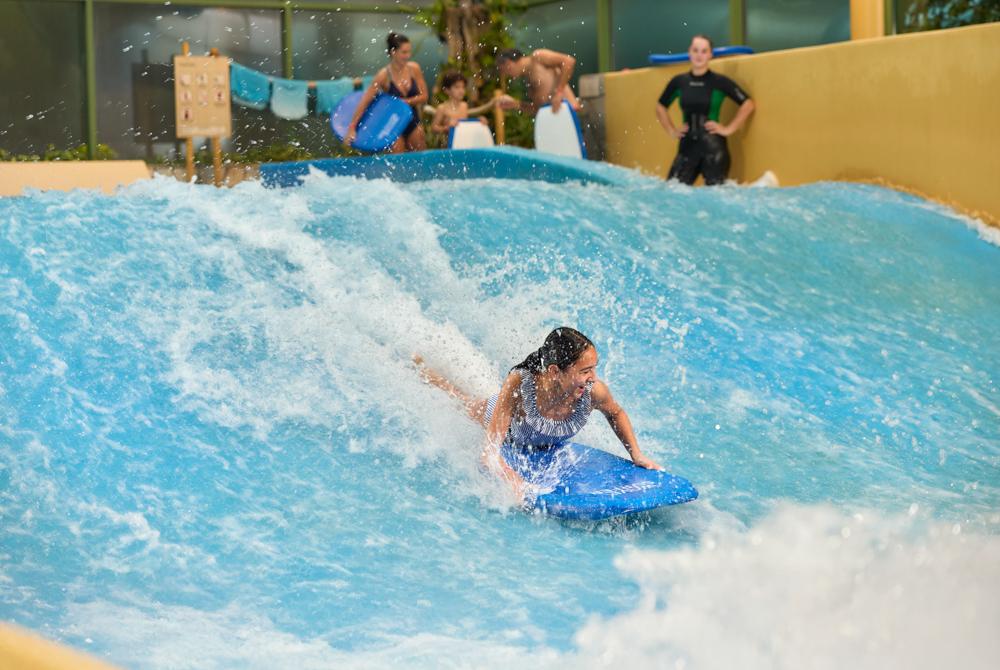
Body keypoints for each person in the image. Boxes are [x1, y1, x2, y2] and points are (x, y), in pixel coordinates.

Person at [415, 327, 662, 504]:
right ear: (555, 371)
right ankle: (424, 371)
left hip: (539, 442)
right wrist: (516, 483)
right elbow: (488, 455)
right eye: (585, 370)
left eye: (594, 369)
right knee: (463, 404)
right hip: (505, 424)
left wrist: (635, 454)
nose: (593, 377)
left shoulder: (592, 391)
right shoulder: (520, 386)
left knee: (465, 401)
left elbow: (616, 413)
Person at [655, 34, 755, 185]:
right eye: (695, 50)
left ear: (710, 55)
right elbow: (660, 106)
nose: (699, 55)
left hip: (714, 149)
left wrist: (728, 129)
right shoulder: (679, 82)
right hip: (687, 147)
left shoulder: (719, 82)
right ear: (689, 52)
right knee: (671, 192)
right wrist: (671, 130)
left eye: (704, 51)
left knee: (715, 198)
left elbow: (748, 104)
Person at [345, 32, 429, 153]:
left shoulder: (414, 69)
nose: (408, 56)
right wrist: (352, 127)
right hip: (392, 124)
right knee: (396, 160)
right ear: (393, 52)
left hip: (412, 120)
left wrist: (404, 102)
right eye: (404, 52)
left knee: (420, 157)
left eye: (409, 52)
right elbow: (365, 102)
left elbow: (424, 96)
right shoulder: (383, 76)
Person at [495, 48, 581, 115]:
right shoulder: (528, 79)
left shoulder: (538, 57)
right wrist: (515, 104)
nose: (507, 75)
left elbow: (568, 61)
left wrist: (559, 92)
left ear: (508, 64)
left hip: (571, 114)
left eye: (504, 71)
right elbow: (538, 110)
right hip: (556, 121)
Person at [430, 71, 491, 136]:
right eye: (457, 87)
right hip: (449, 143)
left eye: (463, 87)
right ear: (447, 90)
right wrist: (446, 128)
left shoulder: (464, 105)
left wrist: (478, 121)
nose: (461, 90)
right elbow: (433, 128)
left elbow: (465, 125)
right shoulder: (442, 108)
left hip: (463, 141)